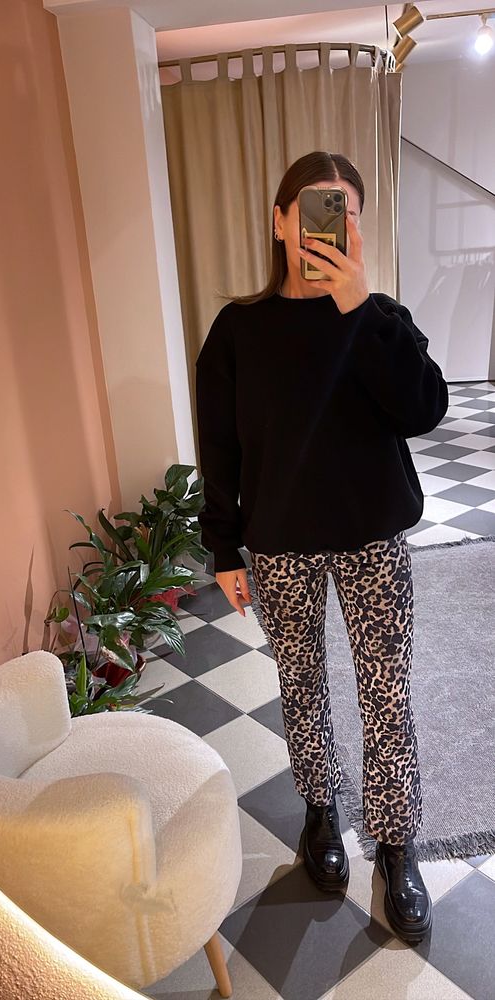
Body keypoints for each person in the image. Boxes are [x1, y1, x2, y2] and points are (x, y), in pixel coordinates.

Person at [194, 150, 450, 945]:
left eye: (344, 213)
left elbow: (424, 410)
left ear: (356, 228)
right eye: (311, 209)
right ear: (279, 221)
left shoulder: (377, 317)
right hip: (280, 545)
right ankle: (318, 813)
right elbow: (219, 448)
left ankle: (395, 842)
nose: (325, 227)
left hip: (372, 538)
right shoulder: (238, 331)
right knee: (300, 685)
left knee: (385, 693)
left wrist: (359, 308)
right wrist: (223, 547)